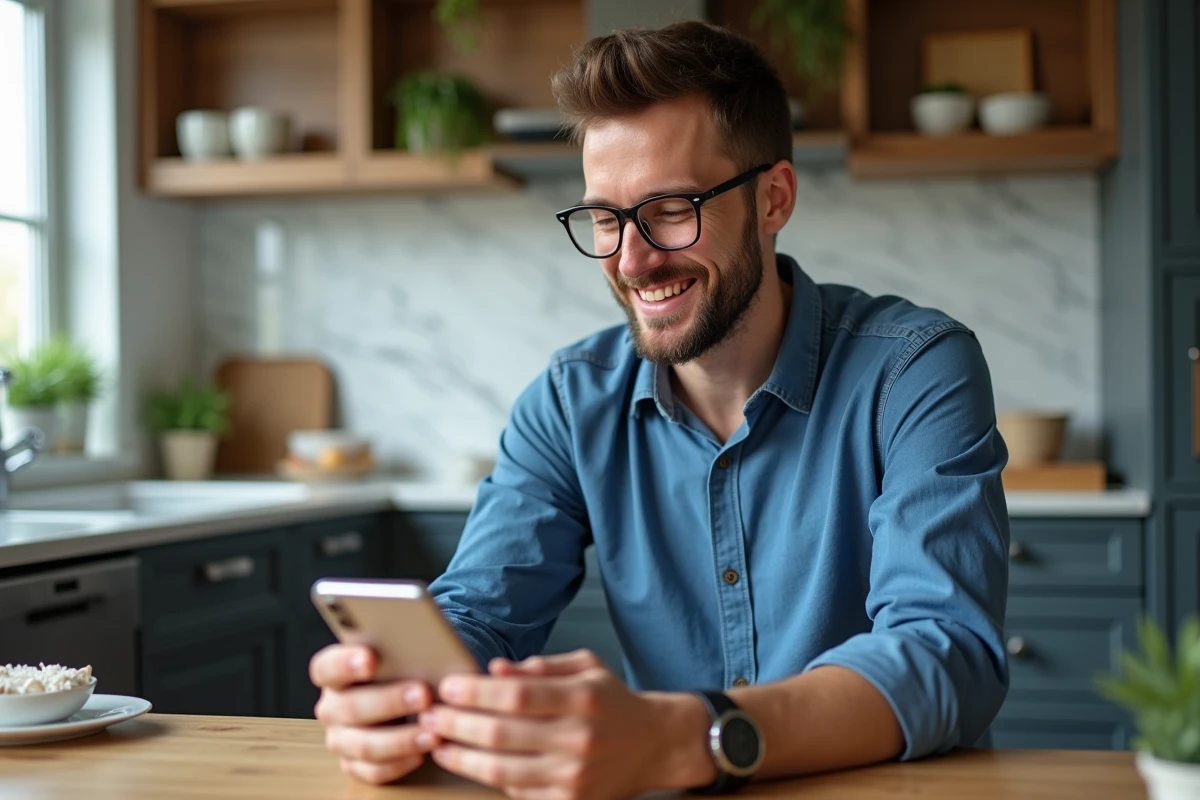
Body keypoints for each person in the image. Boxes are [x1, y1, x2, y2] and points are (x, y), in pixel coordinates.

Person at [309, 20, 1010, 797]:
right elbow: (480, 612)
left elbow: (946, 650)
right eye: (605, 219)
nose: (632, 260)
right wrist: (400, 695)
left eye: (671, 208)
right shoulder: (570, 400)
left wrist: (688, 735)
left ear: (773, 198)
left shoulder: (912, 367)